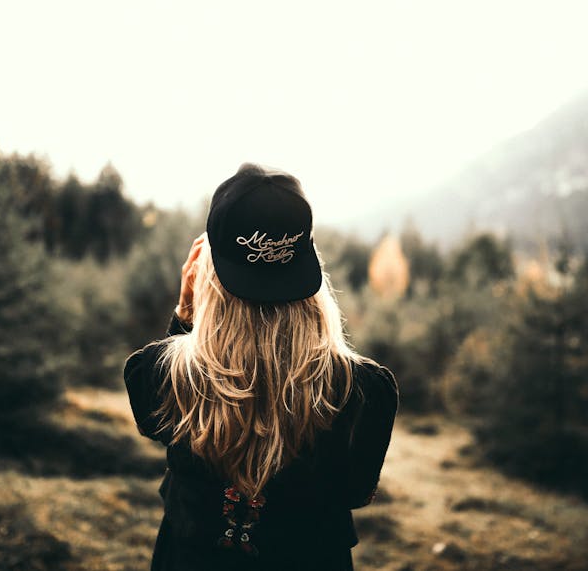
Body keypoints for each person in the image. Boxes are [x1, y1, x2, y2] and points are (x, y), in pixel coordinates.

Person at [124, 163, 399, 570]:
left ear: (206, 272)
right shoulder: (365, 391)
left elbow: (153, 422)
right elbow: (356, 492)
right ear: (309, 268)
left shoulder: (161, 375)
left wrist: (185, 312)